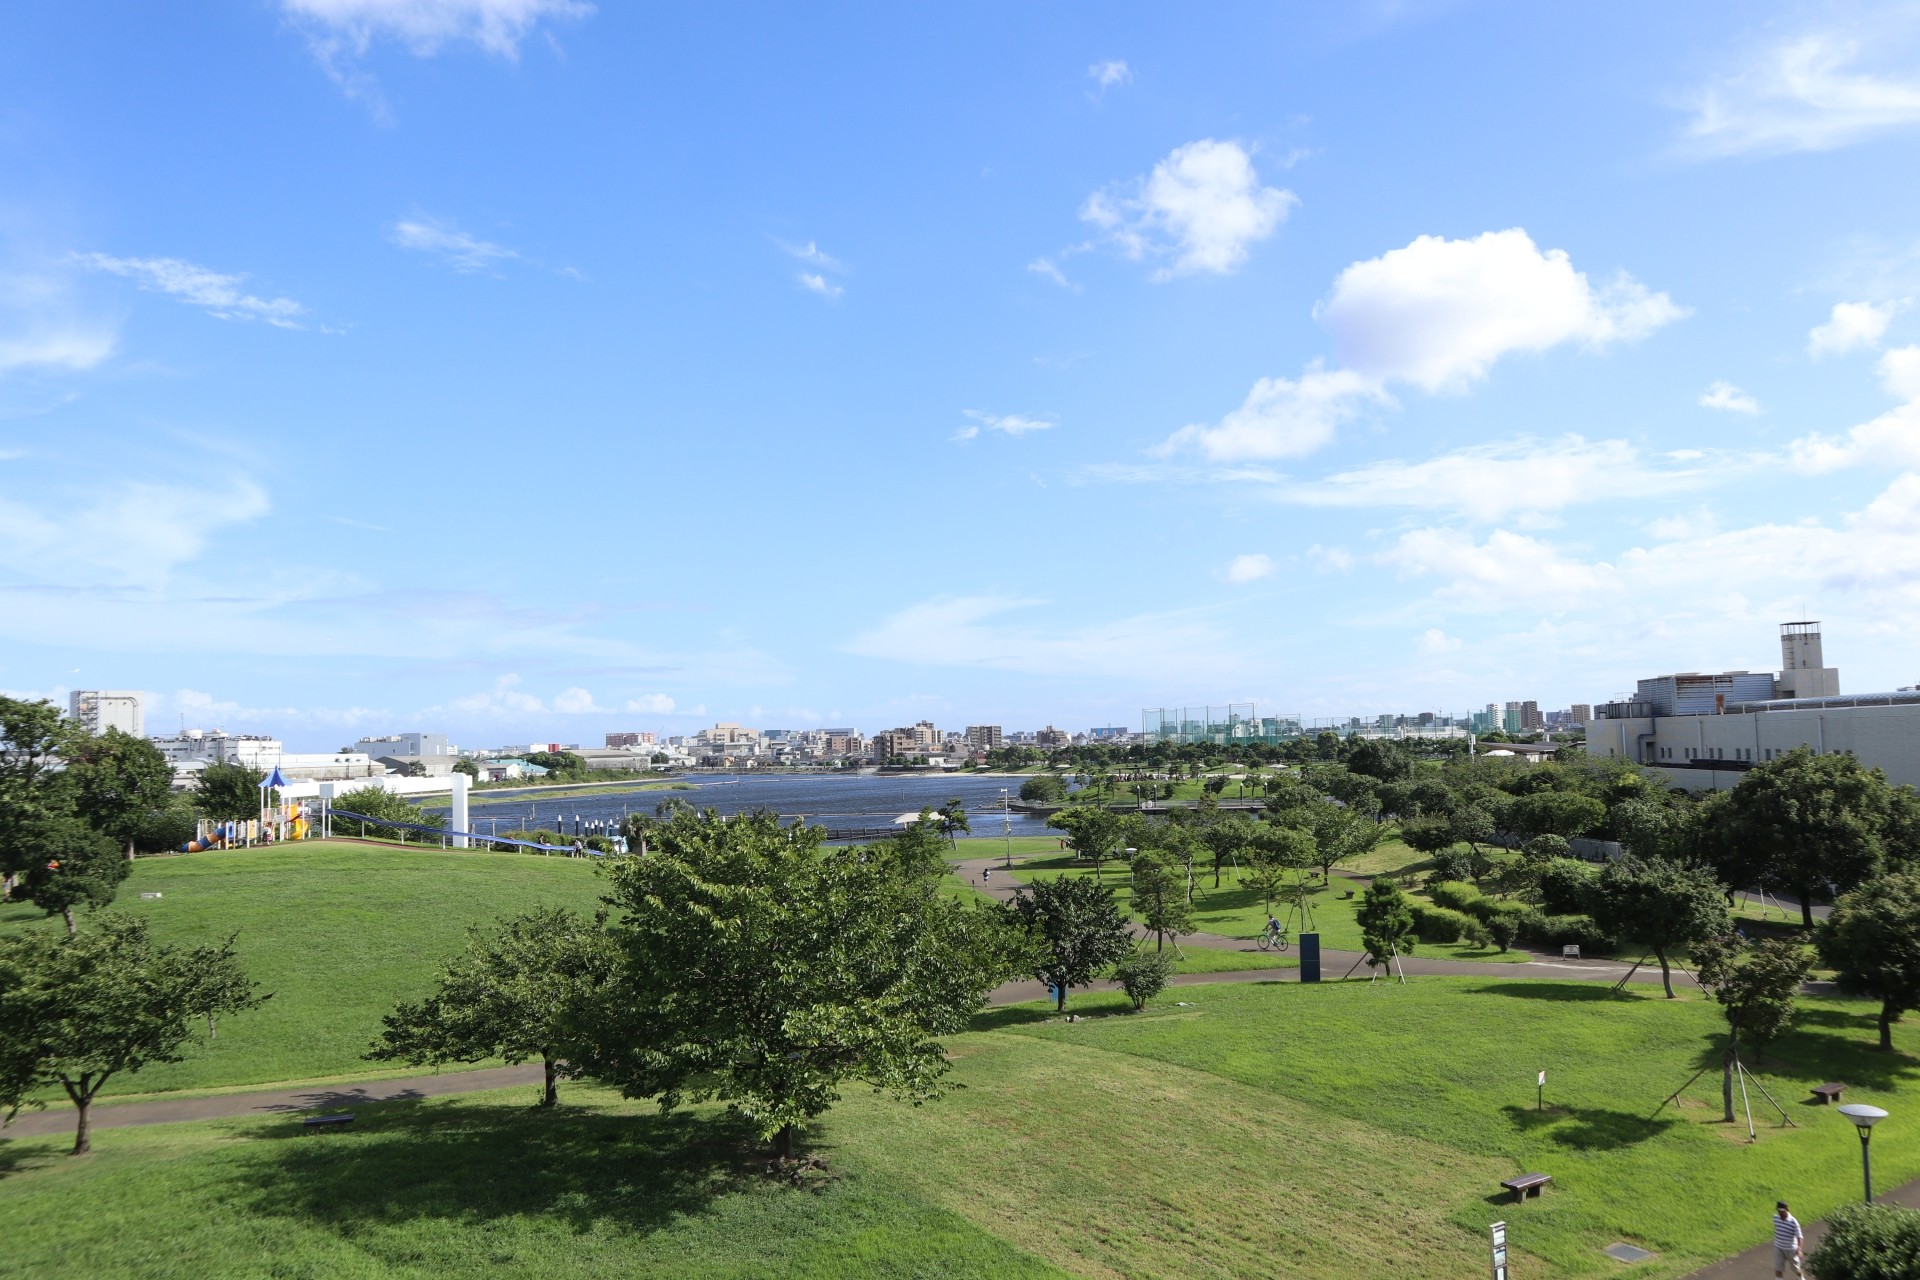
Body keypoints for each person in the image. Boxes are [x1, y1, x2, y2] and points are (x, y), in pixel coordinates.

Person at [1773, 1200, 1803, 1278]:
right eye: (1778, 1211)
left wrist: (1799, 1249)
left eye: (1782, 1211)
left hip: (1791, 1249)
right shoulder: (1776, 1218)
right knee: (1778, 1269)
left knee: (1796, 1269)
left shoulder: (1793, 1222)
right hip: (1779, 1248)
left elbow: (1799, 1236)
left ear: (1787, 1209)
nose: (1780, 1213)